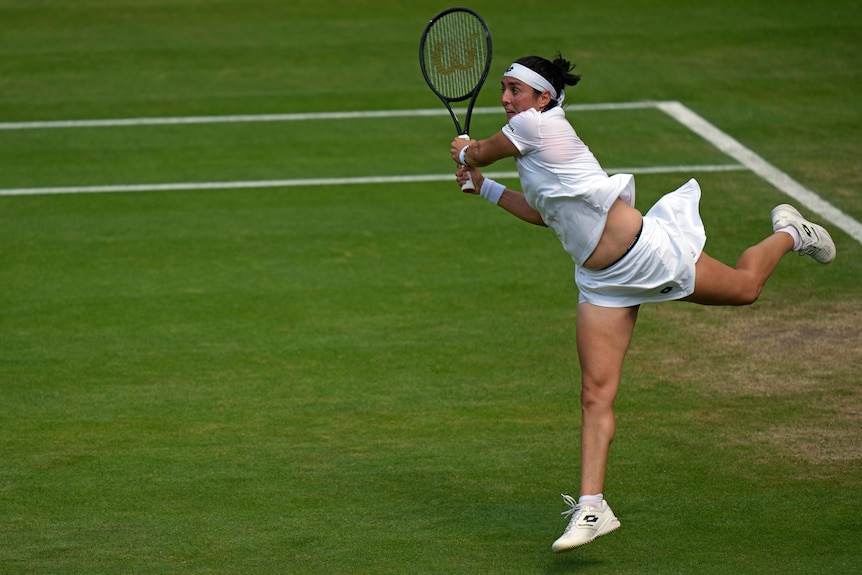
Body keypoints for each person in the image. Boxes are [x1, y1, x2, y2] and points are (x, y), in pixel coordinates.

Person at [448, 53, 836, 553]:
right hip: (600, 283)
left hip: (647, 255)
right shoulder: (532, 142)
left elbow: (478, 151)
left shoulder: (539, 128)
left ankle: (790, 232)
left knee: (745, 289)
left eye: (514, 90)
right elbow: (546, 214)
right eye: (503, 89)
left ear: (543, 98)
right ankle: (592, 506)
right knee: (595, 394)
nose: (505, 98)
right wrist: (484, 189)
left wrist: (467, 154)